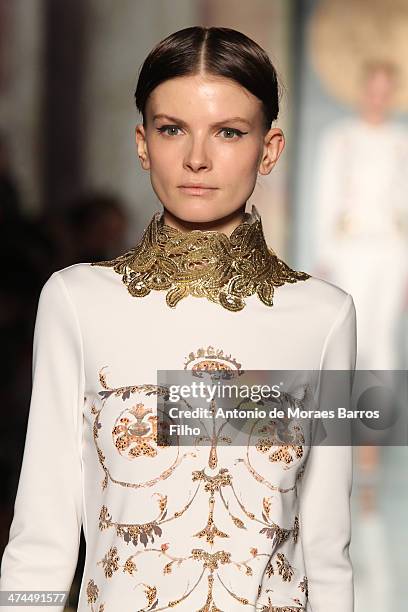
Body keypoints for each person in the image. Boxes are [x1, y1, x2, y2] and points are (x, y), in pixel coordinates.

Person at [0, 26, 357, 612]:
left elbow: (326, 550)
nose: (196, 158)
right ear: (143, 143)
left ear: (269, 149)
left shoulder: (323, 315)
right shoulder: (76, 302)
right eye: (172, 130)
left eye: (229, 132)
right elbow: (41, 538)